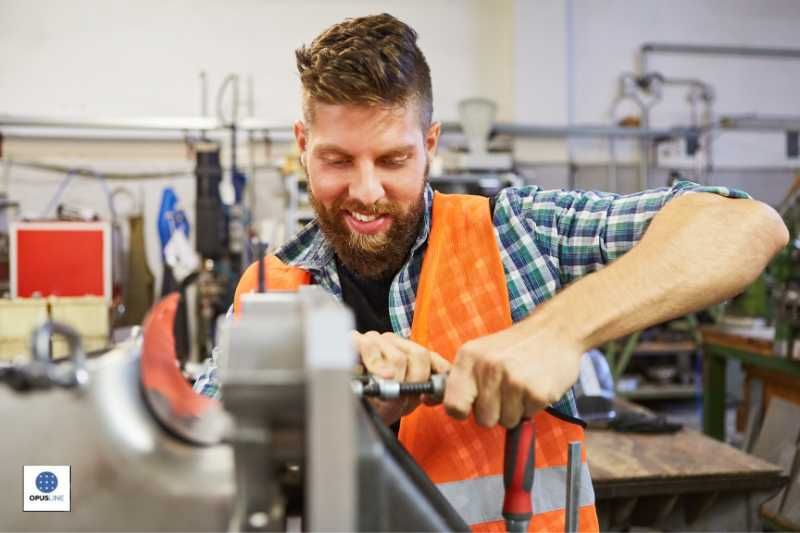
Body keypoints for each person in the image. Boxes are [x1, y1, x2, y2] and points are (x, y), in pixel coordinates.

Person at [195, 13, 788, 531]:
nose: (366, 191)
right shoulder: (267, 292)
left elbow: (746, 225)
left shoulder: (520, 235)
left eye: (394, 159)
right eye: (336, 160)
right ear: (303, 145)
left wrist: (558, 333)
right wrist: (328, 416)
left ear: (431, 144)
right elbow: (197, 459)